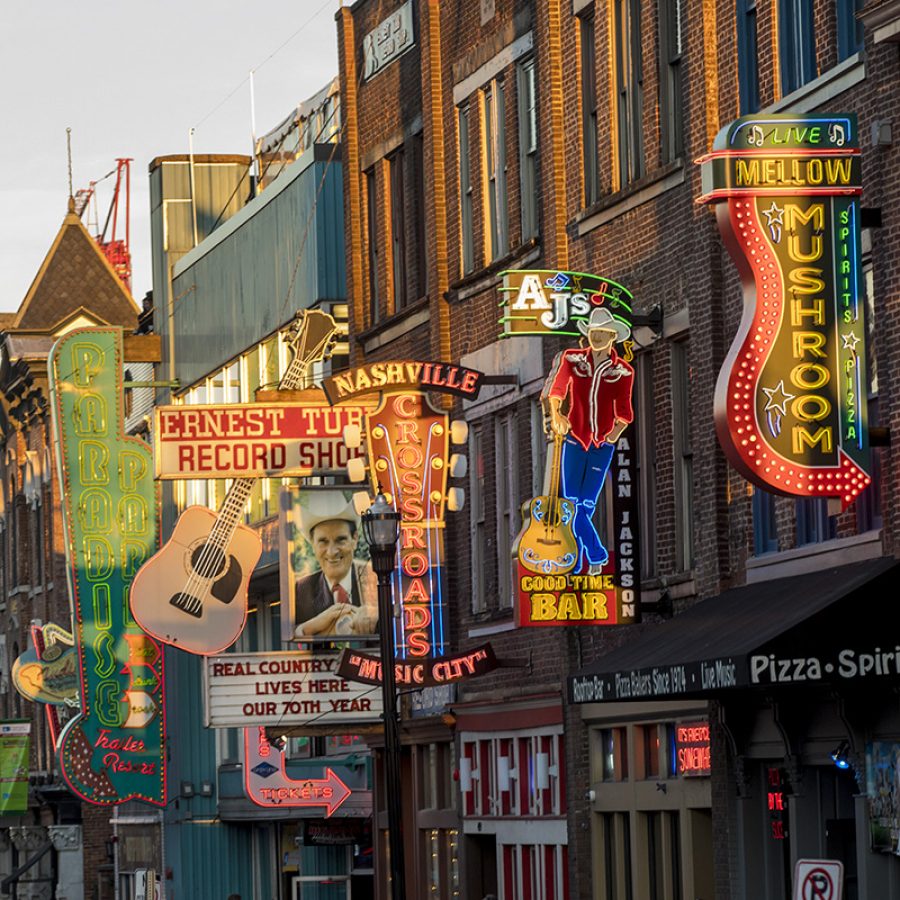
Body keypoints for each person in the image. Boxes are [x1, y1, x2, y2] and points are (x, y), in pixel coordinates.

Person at [543, 306, 634, 571]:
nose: (598, 338)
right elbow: (557, 388)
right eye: (594, 333)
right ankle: (594, 557)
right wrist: (556, 413)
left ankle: (574, 563)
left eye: (603, 333)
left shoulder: (623, 372)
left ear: (612, 337)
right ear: (589, 334)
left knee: (584, 506)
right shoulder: (573, 360)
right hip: (574, 440)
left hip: (600, 447)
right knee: (572, 506)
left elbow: (625, 412)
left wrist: (611, 438)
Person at [293, 493, 377, 637]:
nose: (332, 552)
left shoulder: (377, 578)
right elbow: (293, 637)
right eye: (323, 541)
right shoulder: (300, 591)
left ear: (355, 539)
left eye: (340, 540)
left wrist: (379, 613)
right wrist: (308, 628)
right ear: (312, 544)